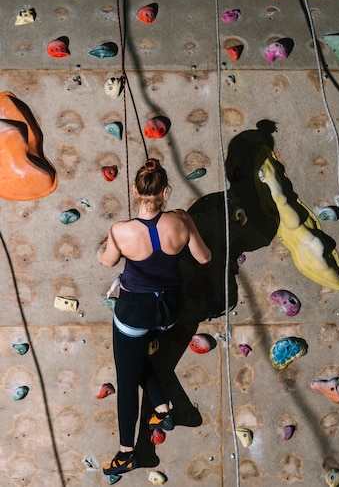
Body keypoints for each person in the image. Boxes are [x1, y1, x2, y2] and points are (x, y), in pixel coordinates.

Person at [97, 158, 211, 476]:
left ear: (135, 190)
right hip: (170, 311)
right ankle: (160, 407)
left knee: (126, 375)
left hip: (135, 312)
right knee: (133, 358)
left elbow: (106, 262)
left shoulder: (120, 231)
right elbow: (204, 258)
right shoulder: (182, 220)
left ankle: (126, 453)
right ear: (165, 191)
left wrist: (102, 251)